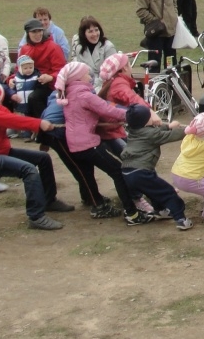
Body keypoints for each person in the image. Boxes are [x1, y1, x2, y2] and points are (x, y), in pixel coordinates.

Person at [58, 62, 154, 226]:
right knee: (118, 171)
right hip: (88, 143)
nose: (90, 76)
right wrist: (135, 116)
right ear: (78, 78)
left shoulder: (69, 93)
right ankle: (131, 213)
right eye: (87, 74)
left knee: (88, 175)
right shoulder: (84, 95)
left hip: (74, 144)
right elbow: (107, 110)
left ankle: (97, 206)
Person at [0, 75, 71, 231]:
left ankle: (49, 200)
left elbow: (6, 114)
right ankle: (36, 216)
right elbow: (9, 120)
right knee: (28, 170)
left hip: (2, 151)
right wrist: (39, 124)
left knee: (43, 158)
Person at [121, 105, 191, 230]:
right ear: (144, 121)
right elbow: (169, 135)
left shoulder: (133, 130)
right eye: (149, 116)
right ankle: (181, 219)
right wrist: (190, 130)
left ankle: (160, 210)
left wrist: (168, 126)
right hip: (141, 172)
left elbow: (153, 131)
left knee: (153, 191)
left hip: (127, 172)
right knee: (168, 192)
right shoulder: (151, 134)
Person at [136, 0, 179, 70]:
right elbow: (140, 10)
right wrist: (156, 22)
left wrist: (174, 15)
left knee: (171, 62)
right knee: (154, 62)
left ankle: (170, 85)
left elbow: (174, 2)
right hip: (156, 34)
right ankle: (154, 85)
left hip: (171, 32)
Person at [20, 18, 65, 118]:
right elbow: (18, 69)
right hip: (29, 82)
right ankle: (21, 124)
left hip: (49, 85)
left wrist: (50, 77)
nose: (37, 34)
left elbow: (61, 70)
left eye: (39, 31)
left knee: (33, 97)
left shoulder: (53, 47)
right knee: (13, 94)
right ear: (28, 33)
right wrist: (11, 80)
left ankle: (43, 125)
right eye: (34, 32)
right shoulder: (25, 49)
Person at [69, 16, 118, 89]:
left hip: (105, 86)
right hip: (85, 85)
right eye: (90, 31)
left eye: (96, 30)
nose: (95, 34)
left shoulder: (108, 47)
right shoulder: (79, 48)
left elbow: (112, 72)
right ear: (83, 34)